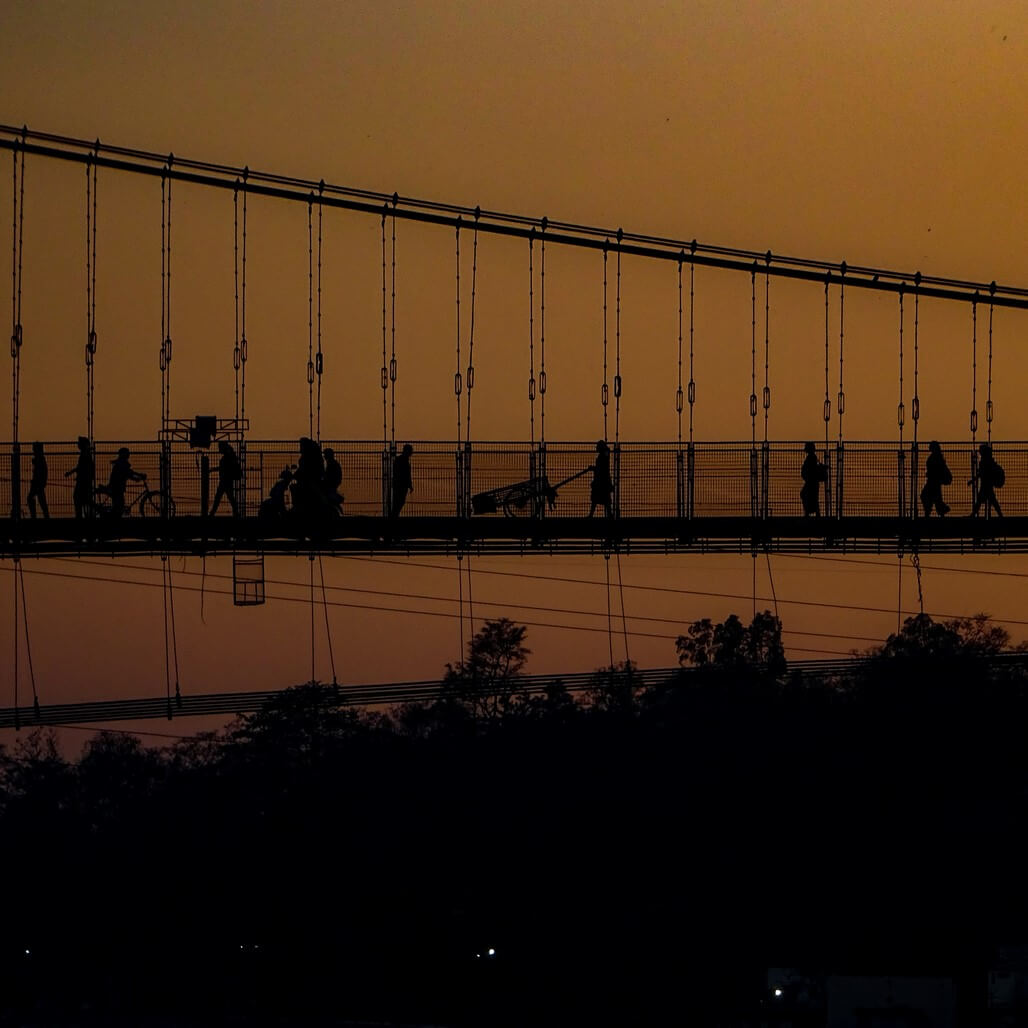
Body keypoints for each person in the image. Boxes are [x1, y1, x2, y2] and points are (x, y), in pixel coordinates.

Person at [97, 446, 146, 518]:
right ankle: (107, 516)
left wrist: (136, 478)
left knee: (118, 506)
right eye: (127, 453)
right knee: (119, 506)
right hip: (117, 487)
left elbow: (128, 474)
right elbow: (129, 473)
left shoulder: (120, 463)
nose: (129, 455)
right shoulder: (122, 463)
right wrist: (139, 476)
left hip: (116, 487)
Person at [65, 436, 95, 519]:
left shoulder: (84, 455)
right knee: (85, 499)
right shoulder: (87, 454)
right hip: (85, 480)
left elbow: (81, 467)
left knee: (78, 497)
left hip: (83, 481)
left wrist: (71, 473)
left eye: (79, 443)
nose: (77, 445)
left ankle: (79, 516)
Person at [209, 440, 242, 517]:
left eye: (219, 447)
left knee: (219, 497)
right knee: (229, 497)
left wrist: (213, 469)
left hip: (225, 480)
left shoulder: (227, 457)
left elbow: (223, 468)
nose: (218, 449)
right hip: (227, 480)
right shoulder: (229, 456)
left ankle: (212, 513)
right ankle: (236, 512)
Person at [972, 442, 1004, 518]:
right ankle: (1000, 515)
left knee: (981, 500)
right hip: (987, 484)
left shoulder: (984, 462)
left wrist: (973, 480)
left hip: (985, 484)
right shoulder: (989, 461)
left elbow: (981, 473)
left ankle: (973, 515)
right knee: (991, 500)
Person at [920, 440, 951, 517]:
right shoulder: (938, 456)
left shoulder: (935, 457)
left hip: (933, 481)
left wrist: (930, 473)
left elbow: (935, 469)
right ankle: (941, 510)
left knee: (926, 496)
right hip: (935, 481)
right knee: (936, 498)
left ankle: (935, 511)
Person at [800, 442, 827, 517]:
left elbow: (811, 470)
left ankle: (809, 513)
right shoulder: (812, 457)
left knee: (807, 496)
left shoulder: (811, 458)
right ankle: (813, 513)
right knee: (813, 498)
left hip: (811, 482)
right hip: (812, 482)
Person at [588, 440, 613, 518]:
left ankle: (592, 515)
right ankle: (609, 515)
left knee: (599, 500)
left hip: (601, 482)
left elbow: (601, 469)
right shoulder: (603, 456)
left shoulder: (603, 456)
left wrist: (594, 469)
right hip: (602, 481)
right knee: (604, 501)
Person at [26, 441, 49, 518]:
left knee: (36, 499)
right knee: (40, 500)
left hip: (37, 483)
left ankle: (35, 515)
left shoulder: (40, 459)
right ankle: (44, 515)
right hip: (38, 483)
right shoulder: (40, 458)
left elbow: (41, 471)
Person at [390, 443, 413, 517]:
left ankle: (395, 515)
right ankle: (394, 515)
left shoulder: (400, 460)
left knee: (398, 502)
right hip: (401, 485)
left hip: (399, 484)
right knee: (399, 502)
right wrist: (409, 484)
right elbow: (406, 474)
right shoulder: (403, 461)